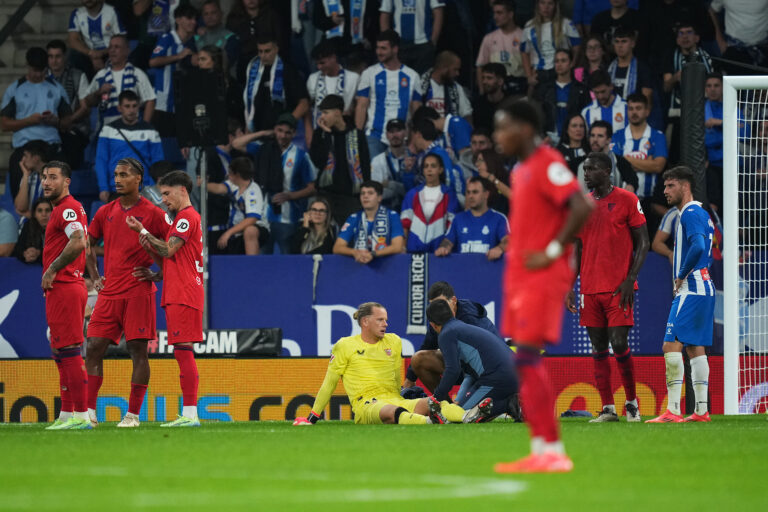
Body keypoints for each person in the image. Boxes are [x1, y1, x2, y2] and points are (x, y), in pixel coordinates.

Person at [493, 100, 593, 473]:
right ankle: (544, 451)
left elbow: (582, 206)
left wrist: (552, 251)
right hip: (520, 276)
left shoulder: (548, 163)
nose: (497, 136)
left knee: (527, 359)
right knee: (524, 361)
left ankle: (550, 451)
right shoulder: (522, 172)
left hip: (541, 277)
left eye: (503, 127)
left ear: (523, 128)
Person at [293, 302, 490, 425]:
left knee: (434, 402)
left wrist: (402, 394)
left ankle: (465, 416)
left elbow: (397, 378)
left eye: (386, 320)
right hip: (367, 404)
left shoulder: (393, 342)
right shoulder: (344, 345)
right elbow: (330, 383)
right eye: (380, 320)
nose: (385, 324)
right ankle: (432, 421)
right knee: (391, 412)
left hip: (395, 398)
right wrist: (313, 416)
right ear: (365, 322)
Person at [84, 158, 170, 428]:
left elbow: (173, 249)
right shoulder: (105, 211)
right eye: (116, 175)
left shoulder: (154, 213)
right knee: (94, 346)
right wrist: (95, 277)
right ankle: (89, 412)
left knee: (138, 351)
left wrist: (158, 274)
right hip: (109, 292)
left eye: (124, 175)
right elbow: (87, 242)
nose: (117, 179)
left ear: (138, 180)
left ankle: (132, 415)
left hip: (138, 292)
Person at [565, 152, 649, 423]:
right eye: (584, 169)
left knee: (619, 343)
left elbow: (643, 243)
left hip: (617, 289)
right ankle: (608, 409)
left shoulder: (628, 200)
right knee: (599, 348)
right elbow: (577, 248)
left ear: (606, 171)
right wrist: (570, 285)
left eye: (590, 169)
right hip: (589, 289)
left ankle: (632, 403)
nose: (585, 174)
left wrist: (630, 278)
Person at [126, 170, 204, 427]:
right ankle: (190, 412)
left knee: (183, 351)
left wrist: (144, 232)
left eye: (167, 194)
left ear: (183, 190)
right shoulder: (183, 219)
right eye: (161, 195)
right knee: (182, 350)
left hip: (183, 292)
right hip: (179, 289)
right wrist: (156, 273)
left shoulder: (185, 218)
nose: (164, 200)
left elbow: (170, 248)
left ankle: (191, 413)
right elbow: (174, 259)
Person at [647, 166, 715, 423]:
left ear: (685, 186)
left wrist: (681, 274)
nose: (665, 191)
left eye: (670, 186)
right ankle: (700, 411)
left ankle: (673, 410)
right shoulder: (700, 213)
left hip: (692, 287)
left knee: (670, 345)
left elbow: (698, 246)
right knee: (695, 348)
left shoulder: (689, 213)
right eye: (665, 186)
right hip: (703, 288)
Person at [40, 161, 91, 430]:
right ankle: (66, 414)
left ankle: (81, 416)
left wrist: (53, 268)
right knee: (60, 349)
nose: (47, 182)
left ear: (67, 181)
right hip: (62, 287)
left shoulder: (68, 208)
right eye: (44, 177)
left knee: (69, 350)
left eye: (53, 177)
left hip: (65, 286)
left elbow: (79, 240)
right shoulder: (62, 209)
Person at [234, 113, 317, 254]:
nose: (283, 136)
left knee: (287, 261)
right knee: (264, 261)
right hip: (263, 216)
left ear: (294, 134)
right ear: (275, 130)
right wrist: (263, 133)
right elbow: (237, 144)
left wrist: (290, 196)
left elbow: (313, 188)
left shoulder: (301, 156)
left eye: (287, 132)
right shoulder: (263, 149)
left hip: (287, 218)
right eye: (279, 131)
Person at [403, 281, 504, 392]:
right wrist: (409, 379)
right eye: (433, 305)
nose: (437, 308)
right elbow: (427, 346)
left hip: (489, 370)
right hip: (462, 367)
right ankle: (443, 405)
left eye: (442, 303)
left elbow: (486, 357)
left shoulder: (470, 319)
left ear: (454, 301)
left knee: (468, 405)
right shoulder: (437, 316)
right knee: (418, 359)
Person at [2, 48, 71, 204]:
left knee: (62, 181)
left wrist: (55, 121)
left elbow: (68, 122)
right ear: (27, 66)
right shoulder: (16, 88)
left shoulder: (56, 88)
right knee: (16, 166)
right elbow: (4, 124)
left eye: (42, 70)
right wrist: (29, 121)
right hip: (26, 148)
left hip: (51, 146)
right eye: (34, 70)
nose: (38, 74)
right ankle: (22, 217)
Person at [426, 299, 514, 420]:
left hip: (498, 377)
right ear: (451, 313)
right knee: (463, 409)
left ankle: (510, 405)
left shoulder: (446, 334)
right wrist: (458, 400)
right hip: (514, 374)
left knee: (465, 415)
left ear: (432, 324)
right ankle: (512, 403)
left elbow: (453, 370)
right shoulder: (461, 327)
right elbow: (470, 375)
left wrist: (437, 397)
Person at [355, 30, 422, 158]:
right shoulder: (369, 73)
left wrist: (414, 139)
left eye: (383, 48)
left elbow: (416, 111)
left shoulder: (413, 76)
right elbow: (361, 106)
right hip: (375, 136)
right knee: (374, 177)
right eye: (377, 48)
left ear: (395, 49)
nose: (379, 52)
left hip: (403, 139)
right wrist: (359, 136)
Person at [311, 94, 371, 226]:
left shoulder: (357, 135)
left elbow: (365, 166)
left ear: (337, 113)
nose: (322, 117)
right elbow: (318, 161)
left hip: (350, 196)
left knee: (349, 239)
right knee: (322, 238)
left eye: (326, 113)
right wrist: (326, 134)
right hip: (325, 194)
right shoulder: (319, 134)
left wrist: (364, 195)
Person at [95, 91, 164, 203]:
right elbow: (101, 160)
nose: (131, 110)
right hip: (116, 189)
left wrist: (153, 188)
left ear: (138, 107)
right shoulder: (107, 130)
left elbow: (158, 163)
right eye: (127, 106)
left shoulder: (151, 131)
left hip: (144, 189)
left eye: (134, 106)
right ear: (119, 108)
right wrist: (103, 188)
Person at [612, 93, 667, 232]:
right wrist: (647, 162)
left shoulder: (658, 136)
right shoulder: (617, 136)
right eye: (630, 109)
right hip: (622, 202)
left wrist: (625, 159)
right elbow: (614, 164)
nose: (634, 112)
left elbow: (658, 166)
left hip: (649, 202)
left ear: (647, 111)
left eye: (638, 108)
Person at [243, 33, 310, 134]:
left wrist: (286, 125)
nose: (263, 55)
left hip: (281, 136)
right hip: (258, 133)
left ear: (276, 49)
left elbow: (304, 104)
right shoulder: (253, 71)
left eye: (267, 51)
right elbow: (250, 104)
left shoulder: (288, 71)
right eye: (260, 51)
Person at [85, 35, 156, 127]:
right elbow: (87, 102)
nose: (112, 50)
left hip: (132, 130)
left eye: (117, 47)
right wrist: (98, 93)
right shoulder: (100, 75)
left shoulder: (137, 74)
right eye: (110, 47)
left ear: (127, 51)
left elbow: (150, 100)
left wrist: (144, 127)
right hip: (107, 131)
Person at [149, 5, 198, 137]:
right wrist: (178, 56)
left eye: (195, 19)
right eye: (189, 18)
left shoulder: (192, 43)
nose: (193, 22)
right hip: (163, 104)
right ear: (178, 20)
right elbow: (153, 61)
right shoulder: (168, 38)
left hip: (181, 105)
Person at [205, 157, 268, 255]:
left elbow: (252, 219)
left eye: (230, 173)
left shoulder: (253, 191)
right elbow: (218, 188)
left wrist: (228, 233)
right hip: (236, 230)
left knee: (249, 231)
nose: (228, 175)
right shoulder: (234, 185)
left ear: (237, 175)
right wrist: (204, 184)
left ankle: (253, 266)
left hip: (257, 228)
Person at [435, 177, 508, 260]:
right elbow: (448, 241)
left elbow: (508, 241)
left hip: (488, 270)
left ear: (486, 194)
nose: (470, 196)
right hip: (463, 270)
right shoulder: (458, 219)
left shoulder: (499, 218)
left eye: (475, 192)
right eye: (468, 192)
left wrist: (499, 248)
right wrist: (443, 248)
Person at [521, 0, 581, 99]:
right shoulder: (529, 26)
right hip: (539, 73)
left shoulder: (566, 24)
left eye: (550, 3)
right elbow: (524, 52)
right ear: (537, 5)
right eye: (542, 3)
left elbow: (577, 48)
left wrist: (571, 67)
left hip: (560, 72)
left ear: (555, 6)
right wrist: (529, 76)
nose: (546, 7)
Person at [400, 153, 459, 253]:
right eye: (426, 166)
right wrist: (403, 248)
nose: (429, 169)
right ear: (423, 170)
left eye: (433, 166)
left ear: (440, 170)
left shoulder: (449, 194)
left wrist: (445, 248)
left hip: (439, 252)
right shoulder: (412, 194)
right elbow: (405, 224)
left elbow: (452, 225)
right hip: (413, 250)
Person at [333, 180, 404, 263]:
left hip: (386, 266)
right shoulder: (354, 218)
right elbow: (337, 247)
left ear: (379, 198)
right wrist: (354, 252)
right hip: (360, 265)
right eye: (362, 193)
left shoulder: (392, 216)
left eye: (370, 193)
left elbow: (397, 247)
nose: (365, 196)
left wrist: (373, 254)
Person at [45, 40, 90, 168]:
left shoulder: (78, 75)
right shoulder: (41, 78)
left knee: (69, 145)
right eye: (51, 56)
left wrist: (69, 120)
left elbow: (85, 108)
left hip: (73, 127)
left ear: (64, 57)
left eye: (58, 56)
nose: (54, 61)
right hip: (47, 128)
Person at [305, 40, 360, 143]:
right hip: (320, 131)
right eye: (317, 64)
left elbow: (359, 106)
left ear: (333, 58)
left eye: (322, 63)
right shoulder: (313, 79)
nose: (319, 67)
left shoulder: (354, 78)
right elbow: (307, 107)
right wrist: (309, 131)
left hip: (344, 131)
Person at [409, 112, 466, 205]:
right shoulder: (421, 156)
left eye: (412, 136)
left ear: (418, 134)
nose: (412, 141)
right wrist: (408, 172)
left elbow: (448, 179)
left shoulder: (439, 153)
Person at [379, 0, 444, 73]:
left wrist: (433, 41)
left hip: (423, 44)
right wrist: (387, 42)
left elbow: (438, 12)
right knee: (399, 78)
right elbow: (385, 14)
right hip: (400, 44)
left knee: (422, 80)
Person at [476, 0, 526, 95]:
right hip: (494, 90)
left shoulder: (524, 37)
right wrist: (482, 92)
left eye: (499, 13)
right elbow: (480, 66)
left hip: (517, 88)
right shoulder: (488, 38)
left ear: (510, 14)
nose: (495, 17)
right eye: (494, 13)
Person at [541, 49, 591, 140]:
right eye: (556, 61)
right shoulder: (545, 89)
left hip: (573, 139)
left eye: (563, 61)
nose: (559, 64)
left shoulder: (582, 90)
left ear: (571, 64)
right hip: (550, 138)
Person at [576, 120, 638, 192]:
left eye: (600, 136)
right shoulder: (579, 163)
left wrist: (630, 186)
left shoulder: (619, 162)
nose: (595, 140)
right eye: (592, 135)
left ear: (608, 140)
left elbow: (633, 179)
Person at [67, 0, 126, 72]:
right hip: (89, 54)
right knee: (73, 55)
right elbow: (72, 40)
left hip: (109, 53)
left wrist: (101, 53)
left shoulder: (112, 11)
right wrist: (91, 53)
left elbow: (122, 39)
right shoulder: (77, 13)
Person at [370, 118, 413, 209]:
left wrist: (389, 184)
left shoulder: (414, 158)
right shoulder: (378, 161)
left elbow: (415, 190)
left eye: (398, 131)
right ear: (386, 135)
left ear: (405, 132)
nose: (395, 135)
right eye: (391, 132)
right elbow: (375, 193)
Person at [607, 27, 653, 109]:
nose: (620, 45)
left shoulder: (642, 68)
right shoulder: (608, 68)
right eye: (617, 42)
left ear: (633, 44)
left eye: (624, 41)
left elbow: (647, 98)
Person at [418, 51, 472, 121]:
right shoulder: (419, 84)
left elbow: (466, 114)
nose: (457, 74)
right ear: (444, 68)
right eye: (455, 69)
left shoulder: (457, 88)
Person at [195, 0, 240, 74]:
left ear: (221, 14)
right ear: (202, 17)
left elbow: (226, 61)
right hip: (200, 82)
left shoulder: (231, 38)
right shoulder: (196, 37)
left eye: (213, 13)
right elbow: (186, 59)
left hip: (224, 82)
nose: (209, 17)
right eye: (206, 14)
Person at [13, 140, 49, 219]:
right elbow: (20, 207)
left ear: (36, 158)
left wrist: (31, 215)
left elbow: (53, 213)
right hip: (27, 227)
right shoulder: (29, 176)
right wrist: (25, 176)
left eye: (26, 156)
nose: (23, 160)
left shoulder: (55, 178)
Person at [704, 73, 724, 212]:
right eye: (709, 86)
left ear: (723, 87)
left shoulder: (732, 106)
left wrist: (719, 122)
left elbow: (744, 130)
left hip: (731, 165)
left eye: (716, 85)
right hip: (709, 166)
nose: (712, 89)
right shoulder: (699, 109)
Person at [473, 63, 511, 133]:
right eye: (483, 78)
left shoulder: (510, 104)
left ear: (500, 81)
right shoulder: (477, 104)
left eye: (489, 78)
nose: (484, 82)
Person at [13, 198, 52, 264]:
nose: (44, 214)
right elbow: (17, 250)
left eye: (47, 210)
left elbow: (60, 252)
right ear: (34, 214)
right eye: (40, 211)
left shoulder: (60, 228)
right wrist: (25, 254)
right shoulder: (28, 226)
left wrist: (38, 253)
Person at [474, 148, 511, 214]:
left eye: (480, 160)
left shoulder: (505, 179)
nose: (477, 164)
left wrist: (492, 179)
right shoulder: (477, 181)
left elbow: (512, 196)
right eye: (477, 161)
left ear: (490, 161)